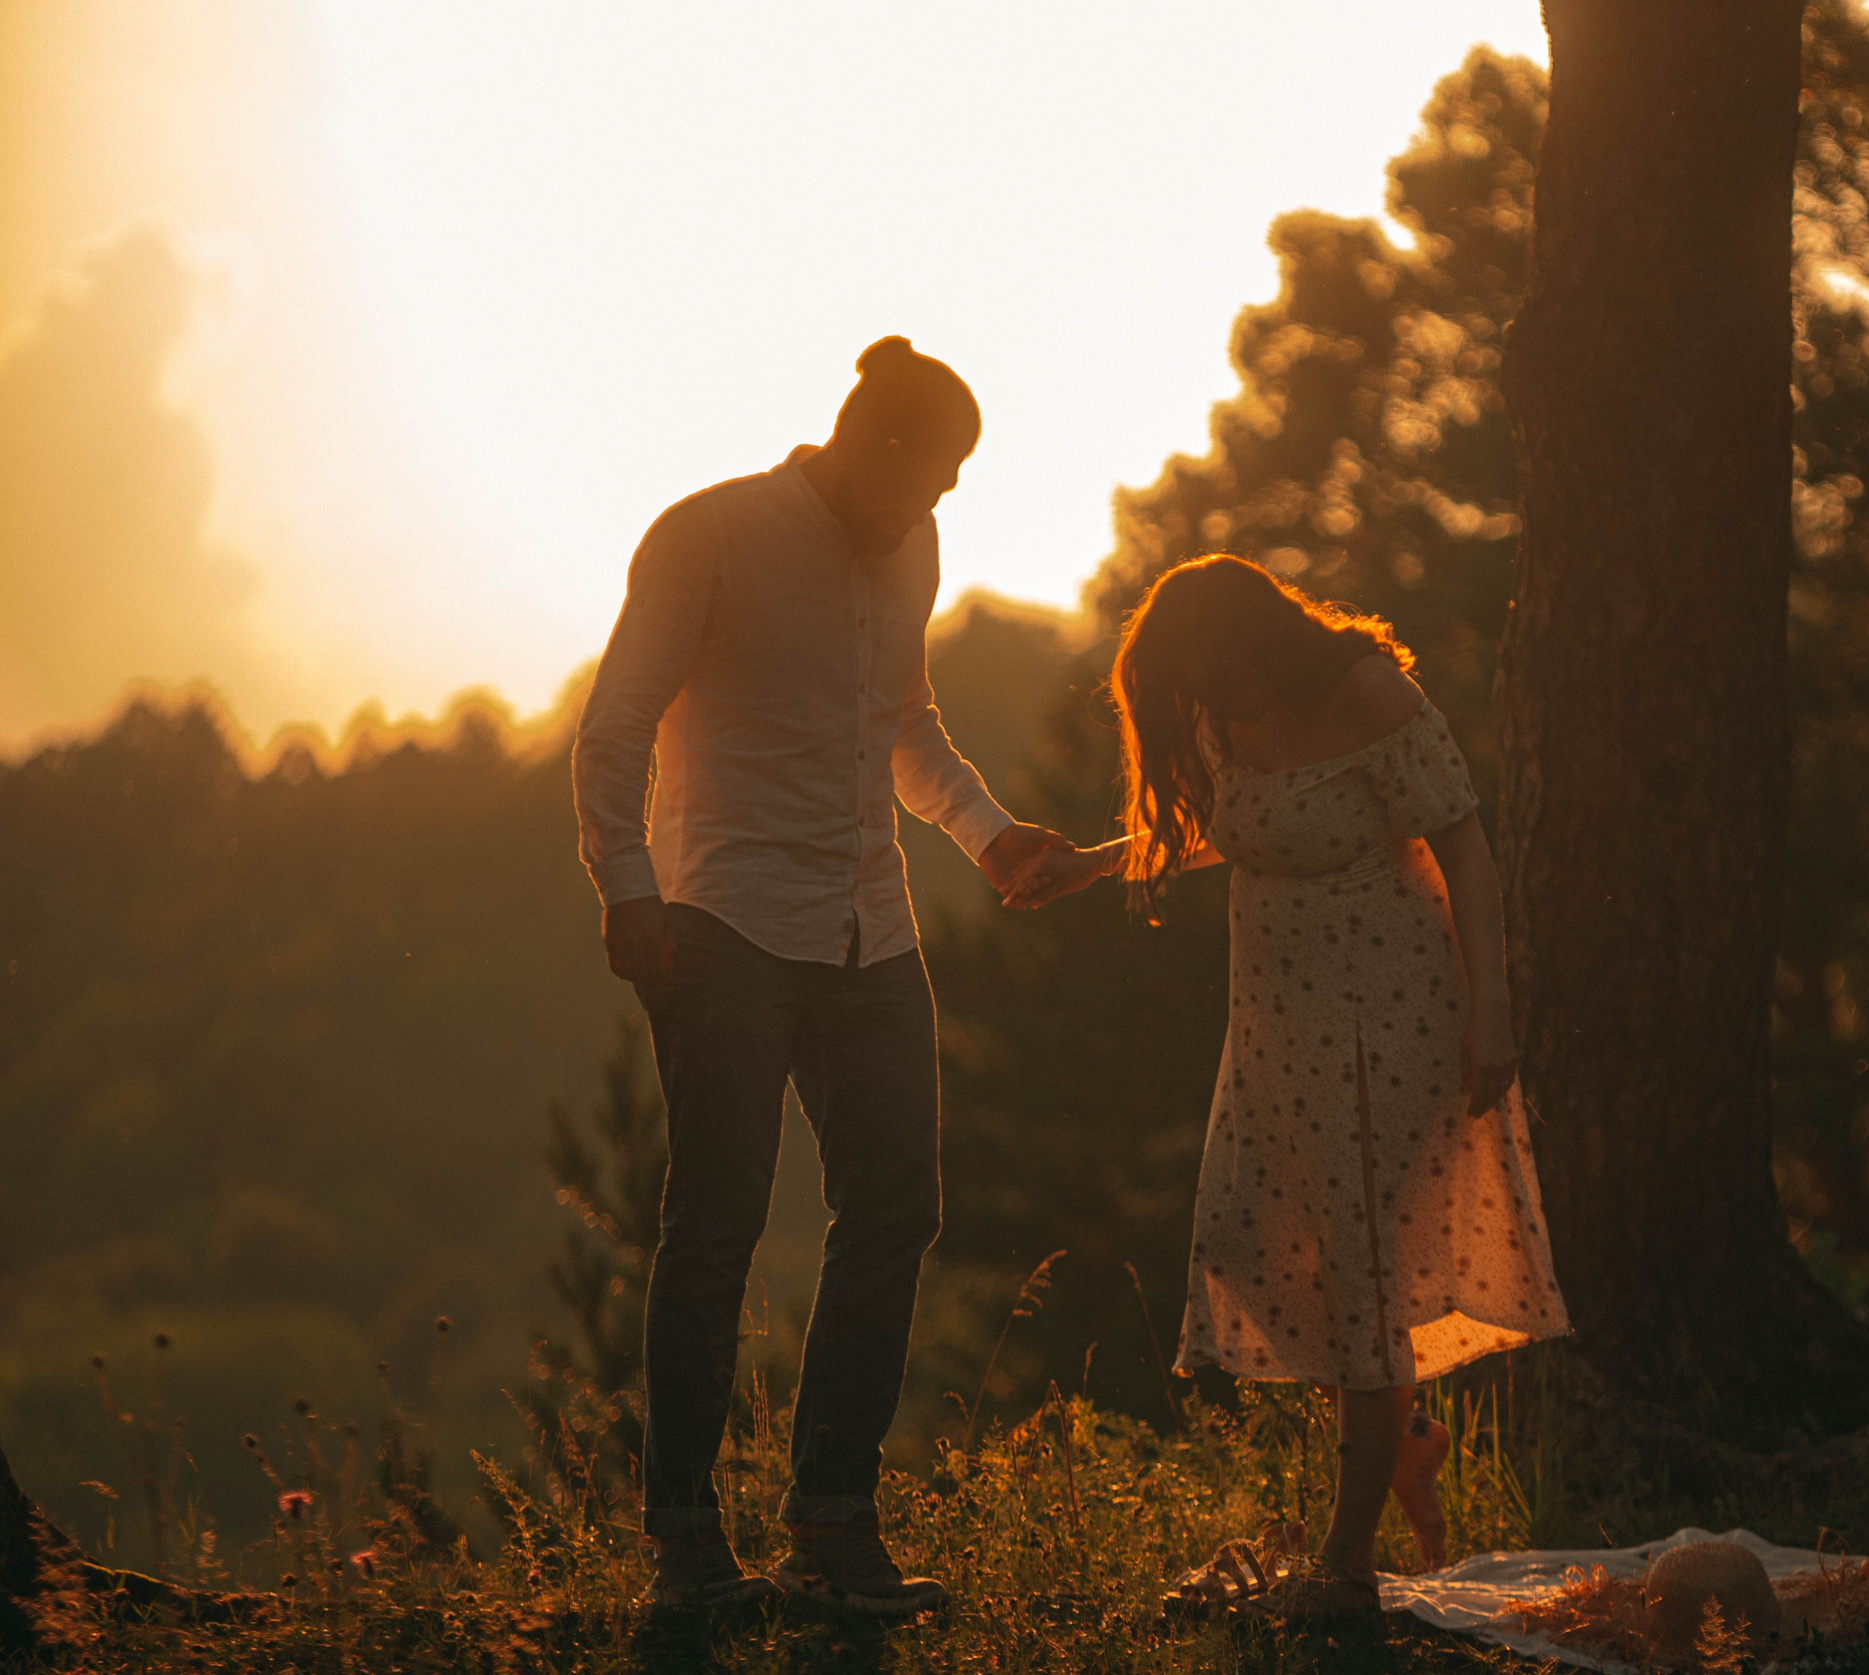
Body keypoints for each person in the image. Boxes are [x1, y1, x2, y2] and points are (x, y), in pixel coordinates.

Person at [570, 337, 1069, 1619]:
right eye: (932, 477)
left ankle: (832, 1527)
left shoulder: (911, 546)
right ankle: (687, 1550)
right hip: (720, 921)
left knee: (895, 1210)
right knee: (717, 1227)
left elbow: (902, 724)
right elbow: (617, 719)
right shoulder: (709, 533)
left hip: (868, 926)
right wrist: (625, 883)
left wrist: (988, 835)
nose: (940, 504)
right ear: (871, 444)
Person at [1002, 553, 1572, 1620]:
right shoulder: (1227, 707)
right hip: (1278, 1034)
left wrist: (1492, 1010)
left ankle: (1345, 1564)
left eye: (1201, 674)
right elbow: (1233, 828)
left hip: (1385, 1021)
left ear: (1249, 640)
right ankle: (1402, 1442)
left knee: (1364, 1276)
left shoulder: (1369, 693)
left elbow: (1465, 845)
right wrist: (1090, 863)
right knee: (1268, 1251)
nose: (1197, 701)